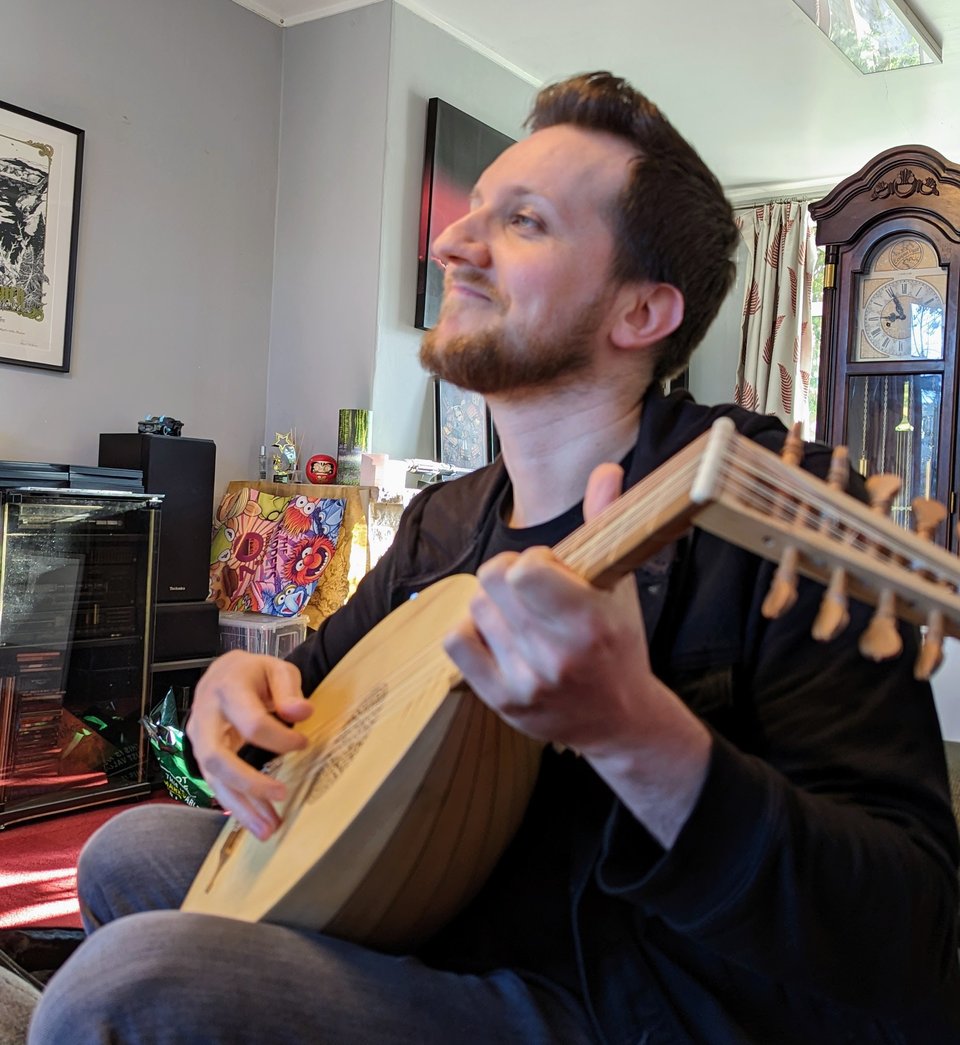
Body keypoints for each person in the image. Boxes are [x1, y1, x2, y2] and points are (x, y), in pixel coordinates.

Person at [29, 71, 959, 1045]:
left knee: (125, 990)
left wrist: (634, 730)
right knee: (124, 851)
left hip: (625, 1002)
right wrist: (236, 687)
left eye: (523, 223)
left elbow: (909, 935)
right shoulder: (445, 521)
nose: (450, 246)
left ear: (641, 311)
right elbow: (312, 706)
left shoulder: (777, 508)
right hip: (452, 919)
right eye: (472, 213)